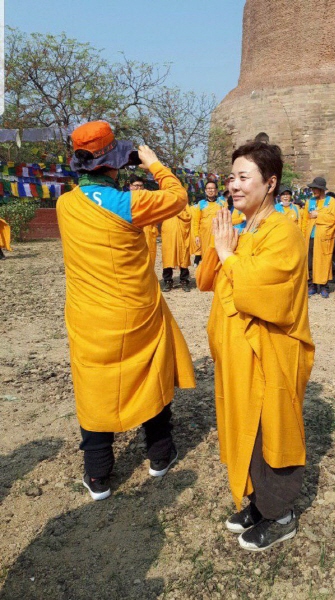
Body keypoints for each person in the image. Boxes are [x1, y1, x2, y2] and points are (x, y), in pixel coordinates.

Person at [56, 121, 196, 501]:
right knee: (150, 376)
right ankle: (159, 456)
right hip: (135, 314)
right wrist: (153, 163)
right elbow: (179, 198)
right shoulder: (131, 203)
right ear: (114, 164)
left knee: (94, 387)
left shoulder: (65, 204)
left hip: (89, 318)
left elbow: (89, 199)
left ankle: (98, 475)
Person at [197, 141, 314, 552]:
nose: (233, 185)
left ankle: (280, 514)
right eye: (231, 177)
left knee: (271, 429)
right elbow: (209, 279)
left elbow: (265, 290)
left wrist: (228, 256)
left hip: (271, 352)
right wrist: (222, 249)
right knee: (244, 424)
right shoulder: (247, 227)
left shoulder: (283, 231)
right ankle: (257, 503)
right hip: (238, 354)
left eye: (244, 177)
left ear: (270, 183)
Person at [301, 177, 335, 298]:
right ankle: (311, 284)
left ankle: (324, 286)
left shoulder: (331, 201)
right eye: (312, 188)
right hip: (310, 237)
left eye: (315, 188)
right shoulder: (309, 201)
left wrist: (318, 214)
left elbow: (333, 218)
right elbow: (305, 220)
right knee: (310, 262)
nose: (313, 190)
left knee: (324, 261)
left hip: (324, 236)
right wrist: (303, 235)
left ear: (322, 189)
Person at [161, 205, 193, 292]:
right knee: (168, 255)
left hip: (182, 232)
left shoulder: (182, 202)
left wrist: (178, 211)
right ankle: (168, 281)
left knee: (183, 255)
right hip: (168, 231)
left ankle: (184, 280)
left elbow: (189, 216)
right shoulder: (166, 200)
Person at [193, 180, 226, 263]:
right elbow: (196, 221)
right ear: (205, 190)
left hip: (218, 234)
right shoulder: (201, 204)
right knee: (206, 257)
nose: (210, 190)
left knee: (217, 257)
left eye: (212, 188)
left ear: (216, 190)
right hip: (204, 235)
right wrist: (196, 235)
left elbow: (226, 219)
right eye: (208, 188)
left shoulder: (222, 203)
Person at [128, 174, 159, 266]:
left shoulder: (149, 197)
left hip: (148, 232)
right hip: (131, 233)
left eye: (141, 186)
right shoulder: (126, 198)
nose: (139, 188)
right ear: (130, 187)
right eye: (136, 186)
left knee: (149, 259)